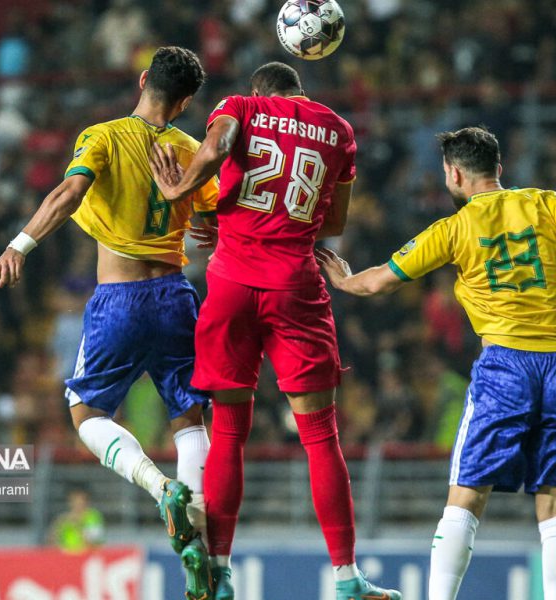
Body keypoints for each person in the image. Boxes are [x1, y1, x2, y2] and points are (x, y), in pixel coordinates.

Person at [316, 126, 556, 600]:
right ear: (498, 168)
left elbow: (378, 282)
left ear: (454, 174)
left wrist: (345, 280)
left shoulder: (453, 229)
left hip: (505, 366)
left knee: (466, 495)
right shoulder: (547, 203)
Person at [149, 62, 399, 600]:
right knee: (321, 436)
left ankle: (219, 572)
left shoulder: (241, 107)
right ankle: (347, 578)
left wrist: (181, 191)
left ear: (259, 89)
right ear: (298, 90)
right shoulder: (337, 129)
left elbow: (217, 147)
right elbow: (334, 222)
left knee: (229, 434)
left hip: (231, 285)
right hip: (295, 288)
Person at [0, 46, 218, 598]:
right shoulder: (193, 151)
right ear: (186, 102)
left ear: (143, 80)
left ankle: (160, 488)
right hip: (177, 296)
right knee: (189, 418)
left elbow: (69, 194)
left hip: (120, 299)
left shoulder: (104, 136)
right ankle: (200, 542)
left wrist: (21, 243)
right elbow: (215, 221)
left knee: (86, 412)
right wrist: (208, 226)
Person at [51, 487, 105, 554]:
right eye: (74, 500)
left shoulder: (93, 517)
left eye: (80, 500)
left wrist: (78, 526)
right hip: (66, 554)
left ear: (86, 501)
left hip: (86, 554)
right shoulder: (63, 518)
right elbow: (52, 542)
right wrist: (56, 528)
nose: (77, 504)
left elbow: (94, 543)